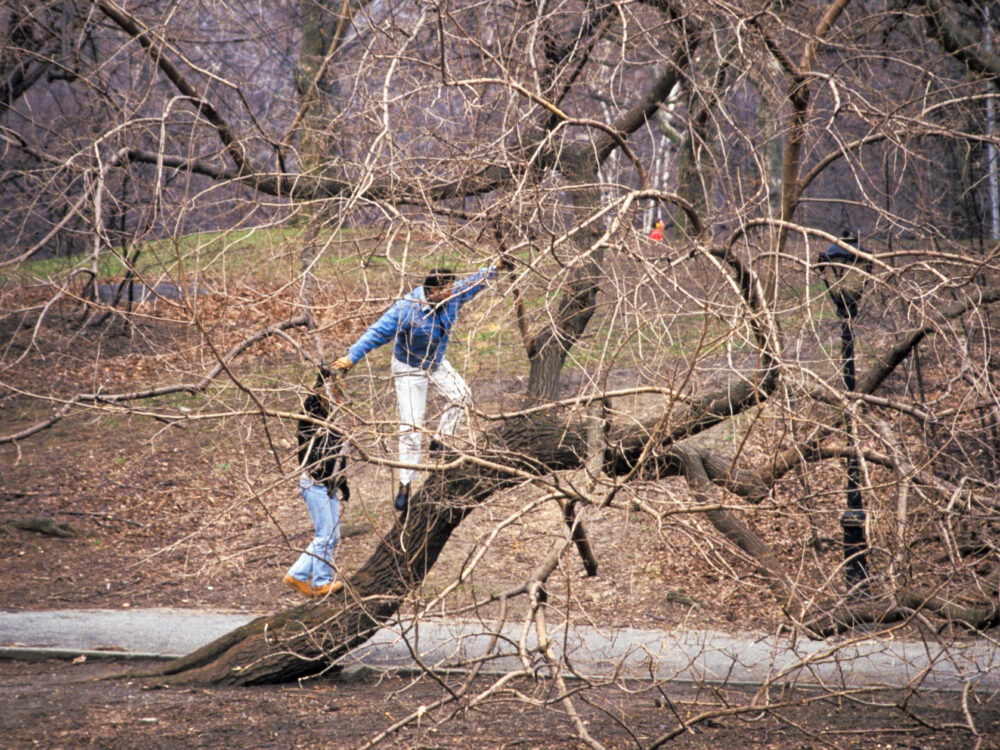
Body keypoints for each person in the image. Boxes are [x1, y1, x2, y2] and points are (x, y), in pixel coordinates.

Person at [331, 263, 500, 516]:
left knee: (461, 395)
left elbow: (473, 284)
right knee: (410, 427)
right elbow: (376, 332)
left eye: (453, 288)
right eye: (447, 289)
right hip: (409, 368)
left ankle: (440, 441)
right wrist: (351, 357)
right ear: (433, 291)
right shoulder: (406, 309)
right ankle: (405, 483)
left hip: (434, 362)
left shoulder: (451, 298)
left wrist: (495, 268)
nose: (452, 292)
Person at [282, 370, 351, 598]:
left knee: (333, 536)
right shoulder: (312, 418)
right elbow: (310, 407)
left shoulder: (334, 422)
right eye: (336, 393)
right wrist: (323, 380)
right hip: (314, 483)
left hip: (329, 485)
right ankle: (297, 574)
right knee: (324, 535)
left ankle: (322, 582)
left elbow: (337, 458)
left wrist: (342, 483)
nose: (340, 399)